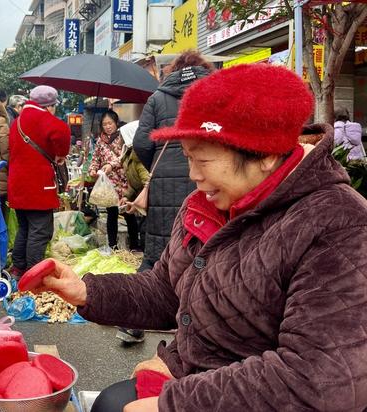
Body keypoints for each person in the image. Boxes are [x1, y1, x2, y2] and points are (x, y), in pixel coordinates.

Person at [29, 64, 367, 411]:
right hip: (193, 375)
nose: (193, 177)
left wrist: (173, 403)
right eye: (188, 158)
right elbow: (166, 291)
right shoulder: (204, 205)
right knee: (109, 404)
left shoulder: (338, 223)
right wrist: (87, 291)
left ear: (265, 154)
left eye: (203, 160)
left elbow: (320, 381)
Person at [132, 51, 215, 272]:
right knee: (199, 236)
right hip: (206, 175)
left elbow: (141, 141)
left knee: (162, 241)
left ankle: (156, 293)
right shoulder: (214, 92)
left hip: (163, 179)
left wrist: (159, 164)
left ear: (173, 71)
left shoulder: (157, 98)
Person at [7, 85, 70, 279]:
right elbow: (63, 132)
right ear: (50, 106)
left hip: (17, 185)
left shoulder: (17, 121)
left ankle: (18, 268)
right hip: (37, 186)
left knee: (24, 228)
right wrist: (60, 154)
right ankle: (34, 275)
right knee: (40, 231)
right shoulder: (44, 118)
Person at [89, 110, 139, 250]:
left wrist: (112, 165)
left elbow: (126, 155)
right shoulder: (100, 141)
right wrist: (93, 170)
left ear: (116, 122)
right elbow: (96, 159)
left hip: (124, 181)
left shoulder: (123, 136)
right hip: (110, 184)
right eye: (104, 124)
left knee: (128, 212)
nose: (107, 126)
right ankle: (112, 246)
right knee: (112, 214)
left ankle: (135, 245)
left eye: (110, 123)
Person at [119, 120, 149, 251]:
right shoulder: (128, 154)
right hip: (138, 195)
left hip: (147, 200)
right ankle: (135, 247)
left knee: (145, 229)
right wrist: (126, 196)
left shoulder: (138, 157)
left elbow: (147, 182)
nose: (119, 139)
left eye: (121, 135)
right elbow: (133, 183)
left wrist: (139, 201)